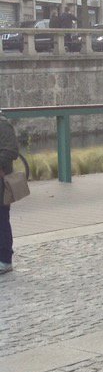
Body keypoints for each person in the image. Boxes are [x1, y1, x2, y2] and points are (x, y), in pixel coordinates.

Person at [0, 108, 19, 274]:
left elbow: (11, 151)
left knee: (1, 220)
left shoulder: (3, 125)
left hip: (1, 181)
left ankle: (5, 260)